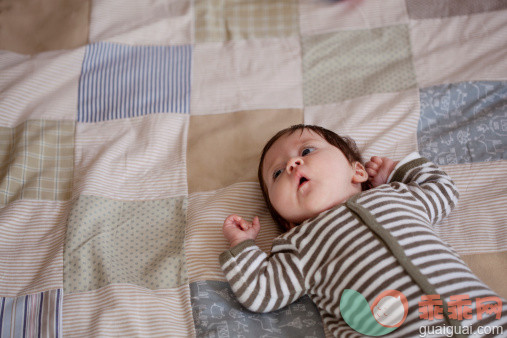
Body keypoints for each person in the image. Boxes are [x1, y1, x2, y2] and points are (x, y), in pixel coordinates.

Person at [219, 124, 507, 337]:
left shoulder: (396, 195)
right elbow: (260, 291)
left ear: (357, 171)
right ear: (285, 219)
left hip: (486, 318)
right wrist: (242, 245)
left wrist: (397, 171)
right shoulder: (297, 244)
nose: (292, 164)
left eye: (307, 151)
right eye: (277, 173)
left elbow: (443, 190)